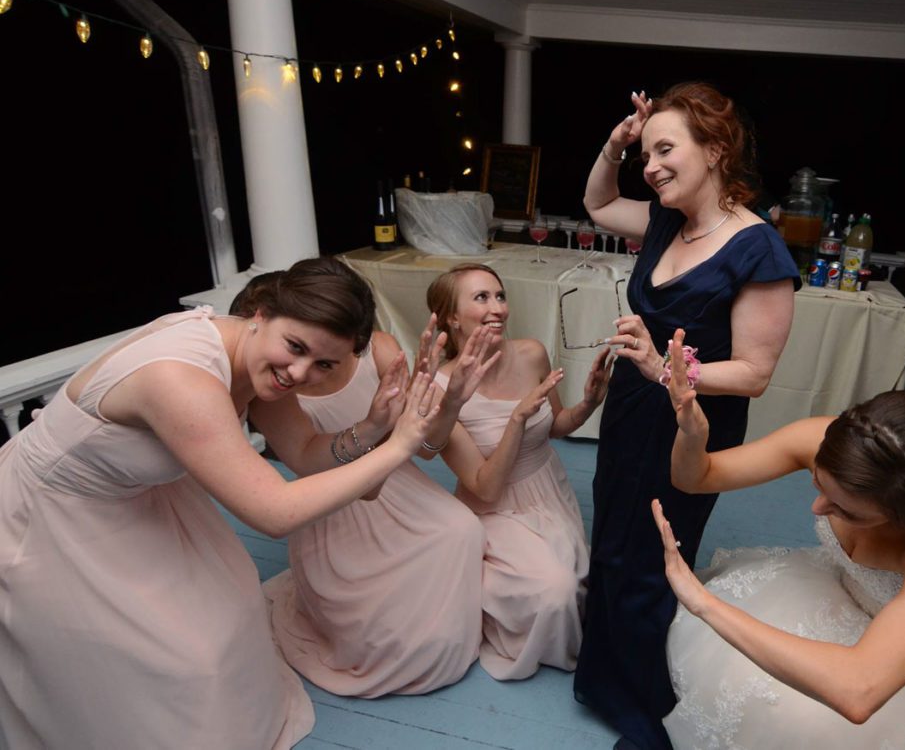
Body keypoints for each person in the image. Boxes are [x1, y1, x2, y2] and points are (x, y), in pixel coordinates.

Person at [0, 257, 440, 749]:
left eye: (324, 365)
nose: (299, 372)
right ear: (261, 312)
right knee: (164, 658)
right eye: (295, 347)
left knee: (228, 615)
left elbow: (302, 452)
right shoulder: (178, 377)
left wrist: (374, 427)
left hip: (133, 495)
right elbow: (274, 512)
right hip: (52, 512)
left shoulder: (264, 366)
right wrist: (400, 446)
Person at [653, 342, 905, 748]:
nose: (817, 508)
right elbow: (696, 478)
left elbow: (858, 692)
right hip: (845, 595)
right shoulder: (840, 446)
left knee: (803, 721)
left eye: (847, 511)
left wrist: (704, 603)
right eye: (818, 485)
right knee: (738, 678)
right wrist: (693, 437)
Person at [573, 82, 801, 749]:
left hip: (690, 425)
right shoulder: (665, 221)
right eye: (645, 155)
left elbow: (754, 374)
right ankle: (607, 680)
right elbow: (597, 204)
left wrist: (664, 370)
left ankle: (649, 712)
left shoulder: (758, 249)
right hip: (630, 409)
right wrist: (615, 144)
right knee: (613, 540)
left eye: (664, 150)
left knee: (656, 556)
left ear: (716, 149)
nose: (650, 167)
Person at [231, 273, 499, 697]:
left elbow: (426, 448)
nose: (303, 367)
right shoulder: (272, 387)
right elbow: (307, 464)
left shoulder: (381, 350)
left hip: (399, 483)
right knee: (386, 633)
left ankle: (440, 629)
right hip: (333, 498)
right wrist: (377, 427)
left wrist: (445, 399)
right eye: (296, 343)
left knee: (460, 530)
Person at [426, 263, 613, 680]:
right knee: (556, 592)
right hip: (493, 510)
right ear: (452, 317)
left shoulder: (531, 353)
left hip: (548, 489)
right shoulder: (441, 390)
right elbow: (485, 488)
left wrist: (589, 403)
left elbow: (557, 425)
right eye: (481, 298)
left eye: (500, 296)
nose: (498, 308)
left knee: (585, 586)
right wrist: (517, 419)